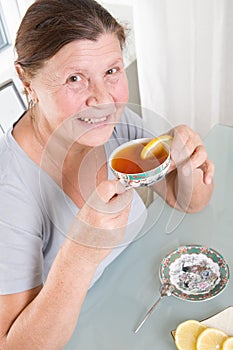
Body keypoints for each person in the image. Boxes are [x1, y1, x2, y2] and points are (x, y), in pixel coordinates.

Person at [0, 0, 214, 348]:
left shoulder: (112, 123)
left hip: (140, 303)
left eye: (112, 71)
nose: (102, 98)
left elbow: (183, 199)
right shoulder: (9, 195)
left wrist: (190, 168)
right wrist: (82, 252)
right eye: (75, 78)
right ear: (26, 79)